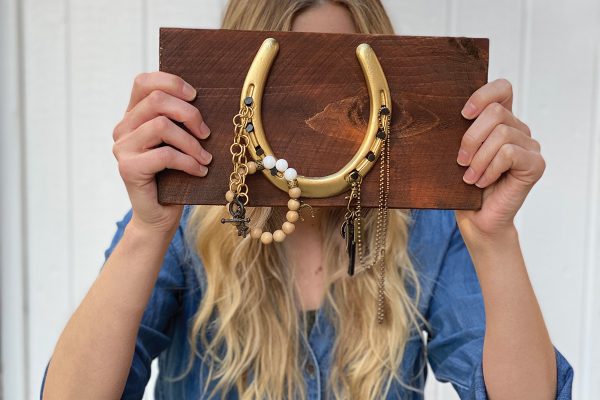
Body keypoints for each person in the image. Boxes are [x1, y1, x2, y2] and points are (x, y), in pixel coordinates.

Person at [41, 0, 574, 399]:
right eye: (289, 101)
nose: (315, 134)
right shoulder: (181, 229)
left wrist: (495, 238)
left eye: (344, 98)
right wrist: (145, 231)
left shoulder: (429, 230)